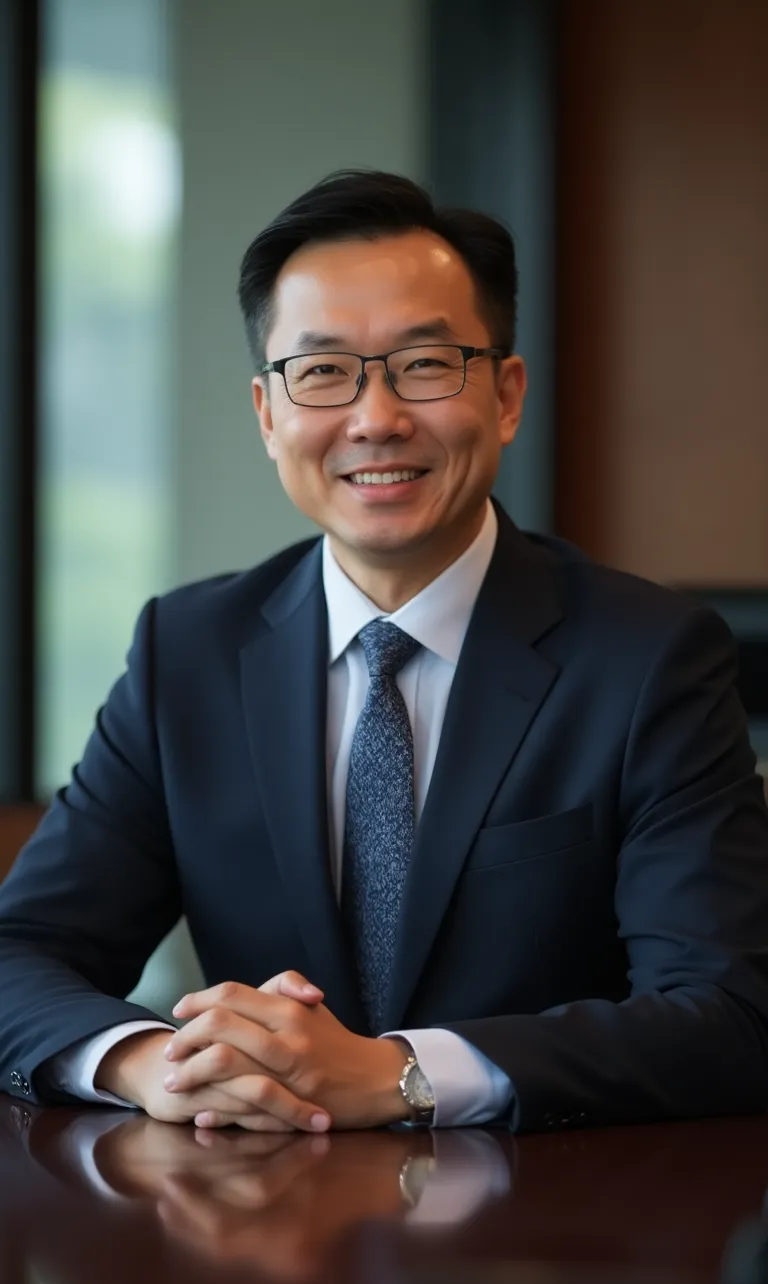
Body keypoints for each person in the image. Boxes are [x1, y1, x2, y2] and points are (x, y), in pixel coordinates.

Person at [2, 169, 768, 1136]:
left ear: (506, 393)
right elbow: (19, 953)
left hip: (552, 1238)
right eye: (322, 372)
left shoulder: (650, 658)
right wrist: (154, 1060)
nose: (375, 418)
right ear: (267, 413)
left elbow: (728, 1015)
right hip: (257, 1240)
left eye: (425, 363)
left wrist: (400, 1074)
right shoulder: (188, 653)